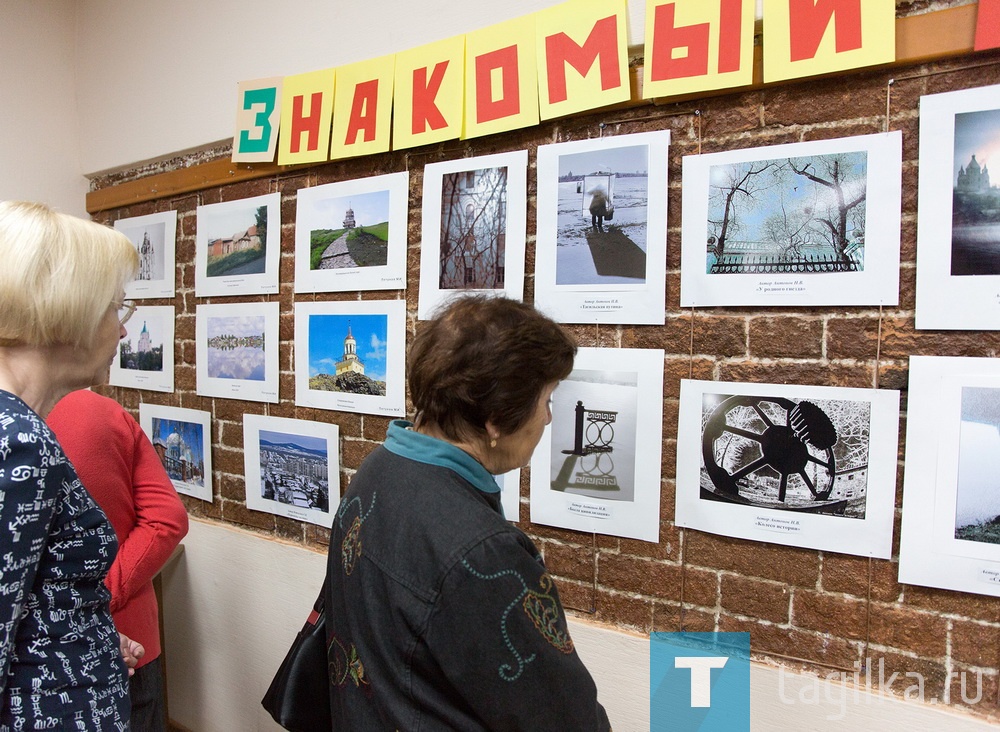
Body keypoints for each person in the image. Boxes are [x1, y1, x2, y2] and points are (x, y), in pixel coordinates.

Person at [325, 295, 611, 730]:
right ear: (496, 420)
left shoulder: (377, 468)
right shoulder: (484, 554)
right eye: (547, 399)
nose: (549, 419)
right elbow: (562, 719)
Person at [0, 200, 144, 730]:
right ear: (68, 313)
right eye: (115, 309)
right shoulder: (16, 442)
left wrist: (91, 636)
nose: (122, 332)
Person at [48, 389, 189, 732]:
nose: (122, 331)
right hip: (121, 641)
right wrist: (99, 599)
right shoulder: (94, 411)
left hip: (86, 647)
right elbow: (167, 518)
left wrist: (92, 603)